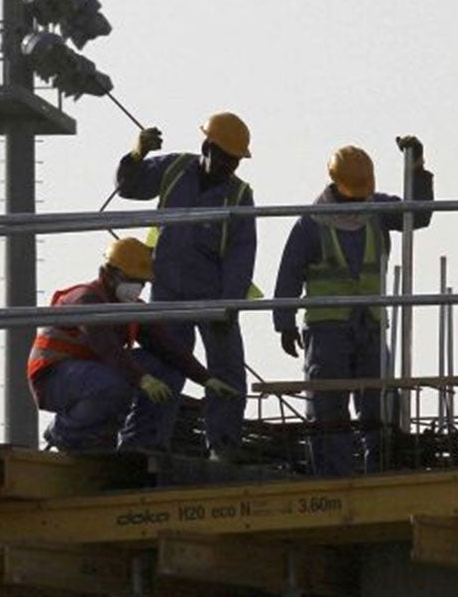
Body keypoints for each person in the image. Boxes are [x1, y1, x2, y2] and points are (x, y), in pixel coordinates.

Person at [271, 140, 433, 477]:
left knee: (380, 405)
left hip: (370, 325)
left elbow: (418, 215)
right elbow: (289, 272)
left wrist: (416, 170)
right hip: (328, 329)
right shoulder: (312, 224)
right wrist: (283, 321)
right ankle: (334, 477)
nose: (360, 200)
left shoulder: (376, 210)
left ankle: (381, 470)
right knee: (329, 409)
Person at [112, 111, 256, 457]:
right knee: (165, 367)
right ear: (207, 147)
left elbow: (242, 252)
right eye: (225, 158)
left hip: (214, 296)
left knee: (226, 372)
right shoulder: (174, 169)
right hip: (169, 291)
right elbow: (129, 187)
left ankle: (223, 446)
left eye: (235, 161)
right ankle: (146, 441)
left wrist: (229, 304)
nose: (229, 167)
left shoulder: (239, 195)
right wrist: (137, 153)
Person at [26, 235, 240, 452]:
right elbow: (106, 346)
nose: (137, 287)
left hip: (96, 373)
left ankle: (140, 441)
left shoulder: (132, 308)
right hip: (56, 377)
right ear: (110, 273)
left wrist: (205, 378)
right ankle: (65, 432)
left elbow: (167, 347)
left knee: (166, 368)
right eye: (132, 280)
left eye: (142, 282)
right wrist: (142, 378)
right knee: (114, 383)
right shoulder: (85, 299)